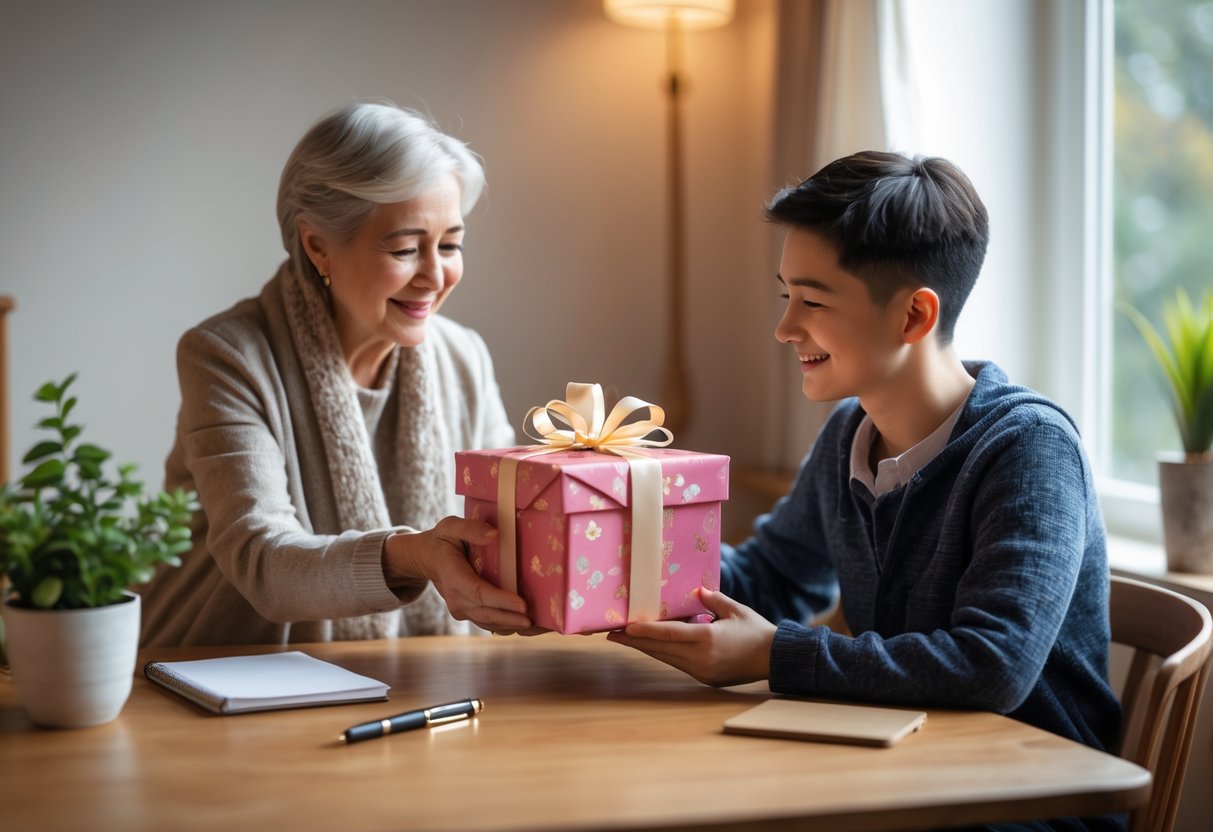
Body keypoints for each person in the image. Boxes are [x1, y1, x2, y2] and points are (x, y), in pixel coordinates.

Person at [609, 151, 1122, 831]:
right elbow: (775, 575)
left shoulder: (1027, 449)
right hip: (901, 776)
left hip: (1023, 804)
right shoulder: (850, 431)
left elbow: (992, 665)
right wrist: (621, 561)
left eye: (812, 301)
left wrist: (772, 654)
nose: (784, 327)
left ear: (912, 316)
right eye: (784, 295)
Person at [140, 101, 532, 646]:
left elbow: (508, 526)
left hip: (406, 677)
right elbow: (263, 561)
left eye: (450, 245)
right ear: (318, 245)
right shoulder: (226, 357)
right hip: (211, 671)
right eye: (404, 248)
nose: (435, 276)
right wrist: (413, 554)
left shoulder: (465, 357)